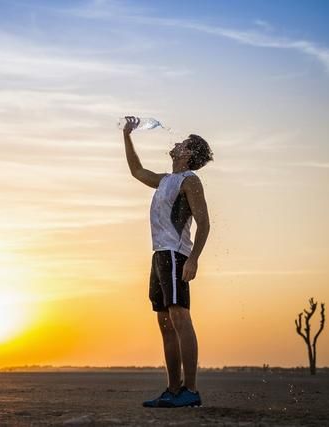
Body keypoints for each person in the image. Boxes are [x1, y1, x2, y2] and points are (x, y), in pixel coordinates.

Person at [121, 116, 213, 408]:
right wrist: (127, 135)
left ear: (188, 154)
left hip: (176, 254)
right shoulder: (164, 180)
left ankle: (191, 390)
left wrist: (194, 260)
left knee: (180, 318)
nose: (177, 143)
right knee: (164, 322)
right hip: (159, 254)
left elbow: (205, 223)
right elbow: (136, 171)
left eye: (184, 143)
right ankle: (173, 390)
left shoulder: (190, 180)